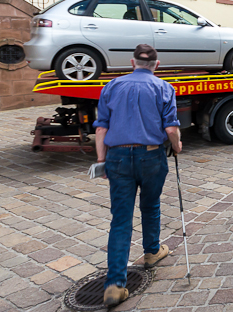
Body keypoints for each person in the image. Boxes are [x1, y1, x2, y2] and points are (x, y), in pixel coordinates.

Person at [95, 44, 182, 307]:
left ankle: (114, 284)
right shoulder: (164, 88)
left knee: (120, 219)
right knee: (150, 204)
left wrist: (102, 161)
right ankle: (152, 251)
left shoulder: (111, 86)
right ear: (157, 64)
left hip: (117, 157)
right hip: (151, 155)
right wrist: (177, 146)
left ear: (132, 62)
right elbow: (171, 128)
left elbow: (101, 129)